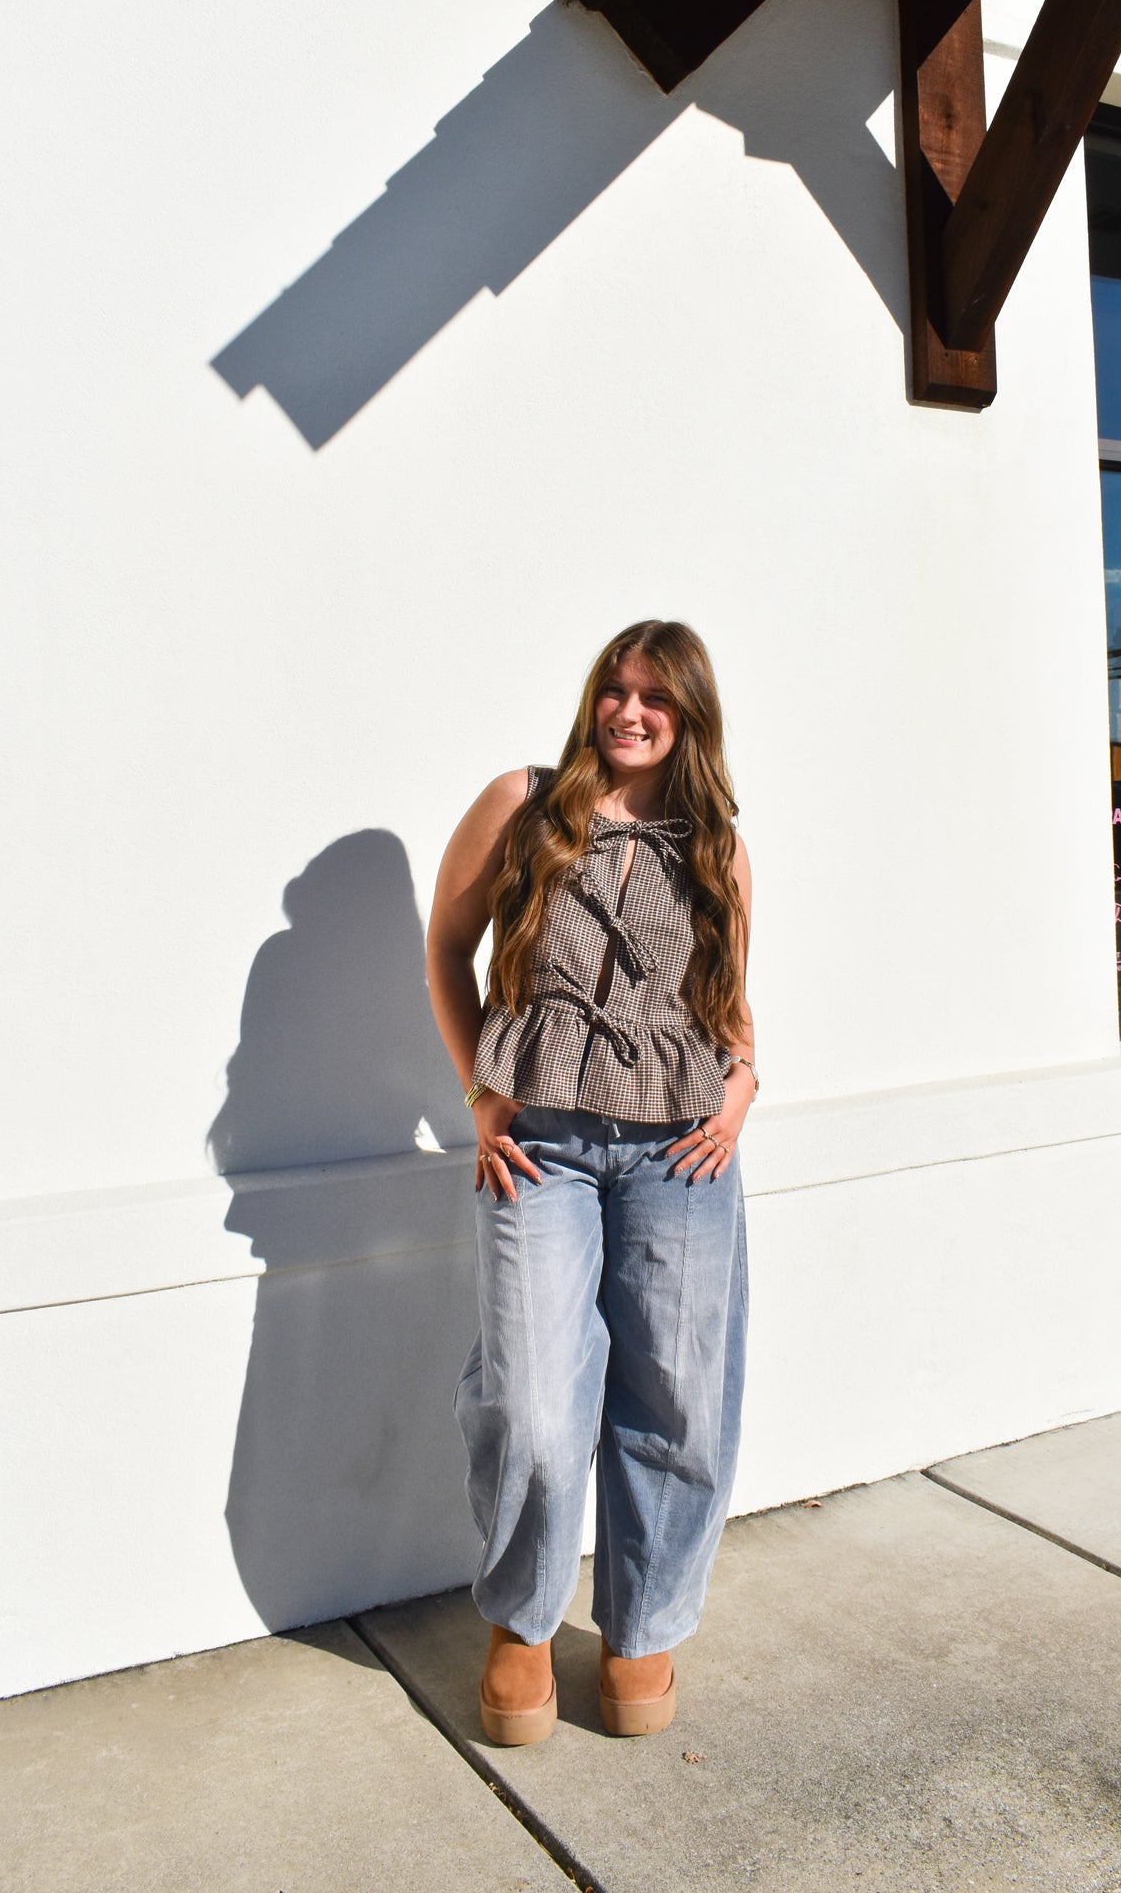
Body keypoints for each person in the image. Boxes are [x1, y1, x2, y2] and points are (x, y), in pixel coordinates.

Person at [427, 619, 757, 1745]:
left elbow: (729, 1003)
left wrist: (743, 1085)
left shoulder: (714, 839)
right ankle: (521, 1622)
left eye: (655, 695)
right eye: (614, 687)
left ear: (689, 714)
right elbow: (445, 942)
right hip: (544, 1143)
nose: (629, 709)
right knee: (530, 1400)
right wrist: (479, 1091)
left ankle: (641, 1624)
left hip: (679, 1148)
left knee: (676, 1399)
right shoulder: (522, 802)